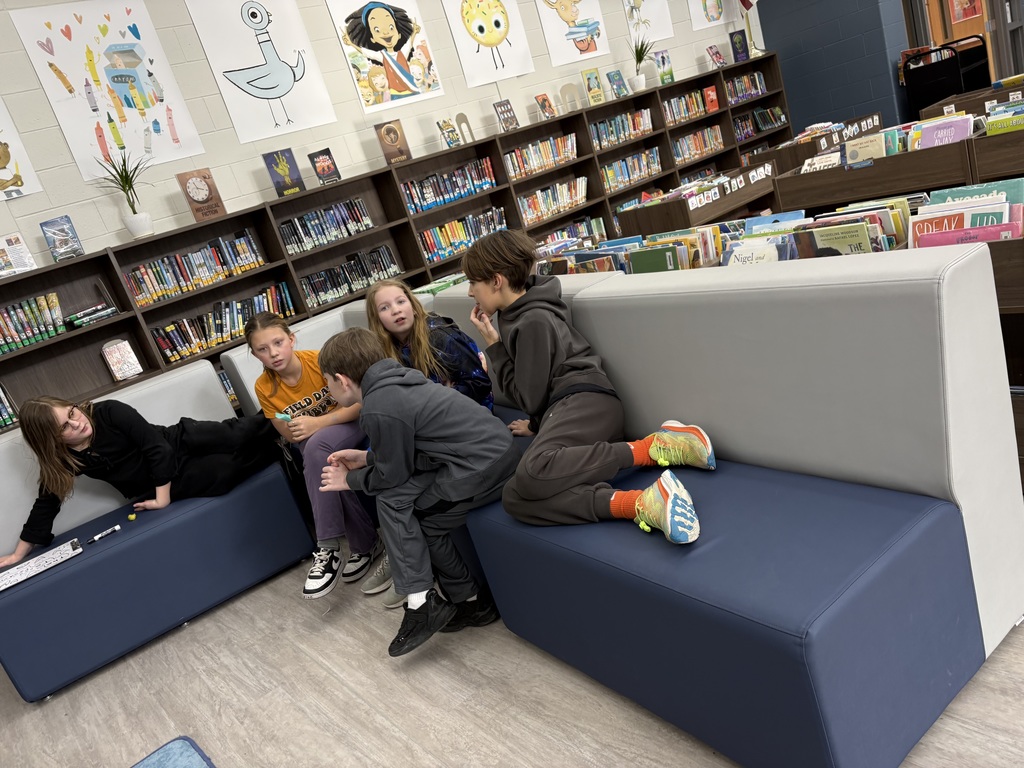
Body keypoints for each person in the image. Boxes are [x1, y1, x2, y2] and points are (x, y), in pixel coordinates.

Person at [463, 229, 716, 544]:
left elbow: (530, 397)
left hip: (585, 402)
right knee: (515, 498)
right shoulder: (518, 314)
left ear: (496, 280)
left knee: (532, 472)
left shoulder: (532, 322)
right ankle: (640, 503)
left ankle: (653, 447)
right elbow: (541, 391)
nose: (471, 291)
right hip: (575, 411)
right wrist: (538, 424)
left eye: (473, 282)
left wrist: (495, 348)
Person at [317, 328, 520, 657]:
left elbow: (392, 475)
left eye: (326, 382)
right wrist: (368, 457)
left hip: (482, 467)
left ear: (341, 380)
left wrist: (349, 481)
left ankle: (437, 602)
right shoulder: (400, 380)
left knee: (411, 511)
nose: (327, 390)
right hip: (484, 454)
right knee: (399, 503)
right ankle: (452, 600)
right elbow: (409, 453)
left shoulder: (377, 408)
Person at [0, 397, 280, 568]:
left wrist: (163, 498)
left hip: (178, 443)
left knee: (237, 436)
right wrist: (18, 553)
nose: (76, 423)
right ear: (51, 441)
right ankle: (281, 448)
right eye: (64, 427)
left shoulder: (108, 412)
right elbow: (46, 502)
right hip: (164, 481)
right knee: (224, 473)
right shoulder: (64, 460)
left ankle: (296, 413)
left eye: (72, 412)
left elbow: (157, 448)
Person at [245, 312, 382, 599]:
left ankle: (329, 546)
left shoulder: (319, 361)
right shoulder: (264, 387)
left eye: (278, 342)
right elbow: (288, 433)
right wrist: (303, 429)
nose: (273, 353)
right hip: (318, 443)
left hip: (353, 422)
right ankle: (364, 544)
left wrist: (318, 422)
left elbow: (359, 401)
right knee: (320, 453)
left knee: (317, 446)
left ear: (291, 339)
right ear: (255, 354)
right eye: (262, 349)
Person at [366, 279, 493, 409]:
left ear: (414, 307)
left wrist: (443, 396)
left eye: (401, 301)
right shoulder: (384, 349)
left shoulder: (440, 336)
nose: (396, 310)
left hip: (469, 412)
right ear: (377, 320)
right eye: (384, 308)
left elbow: (480, 383)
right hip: (427, 415)